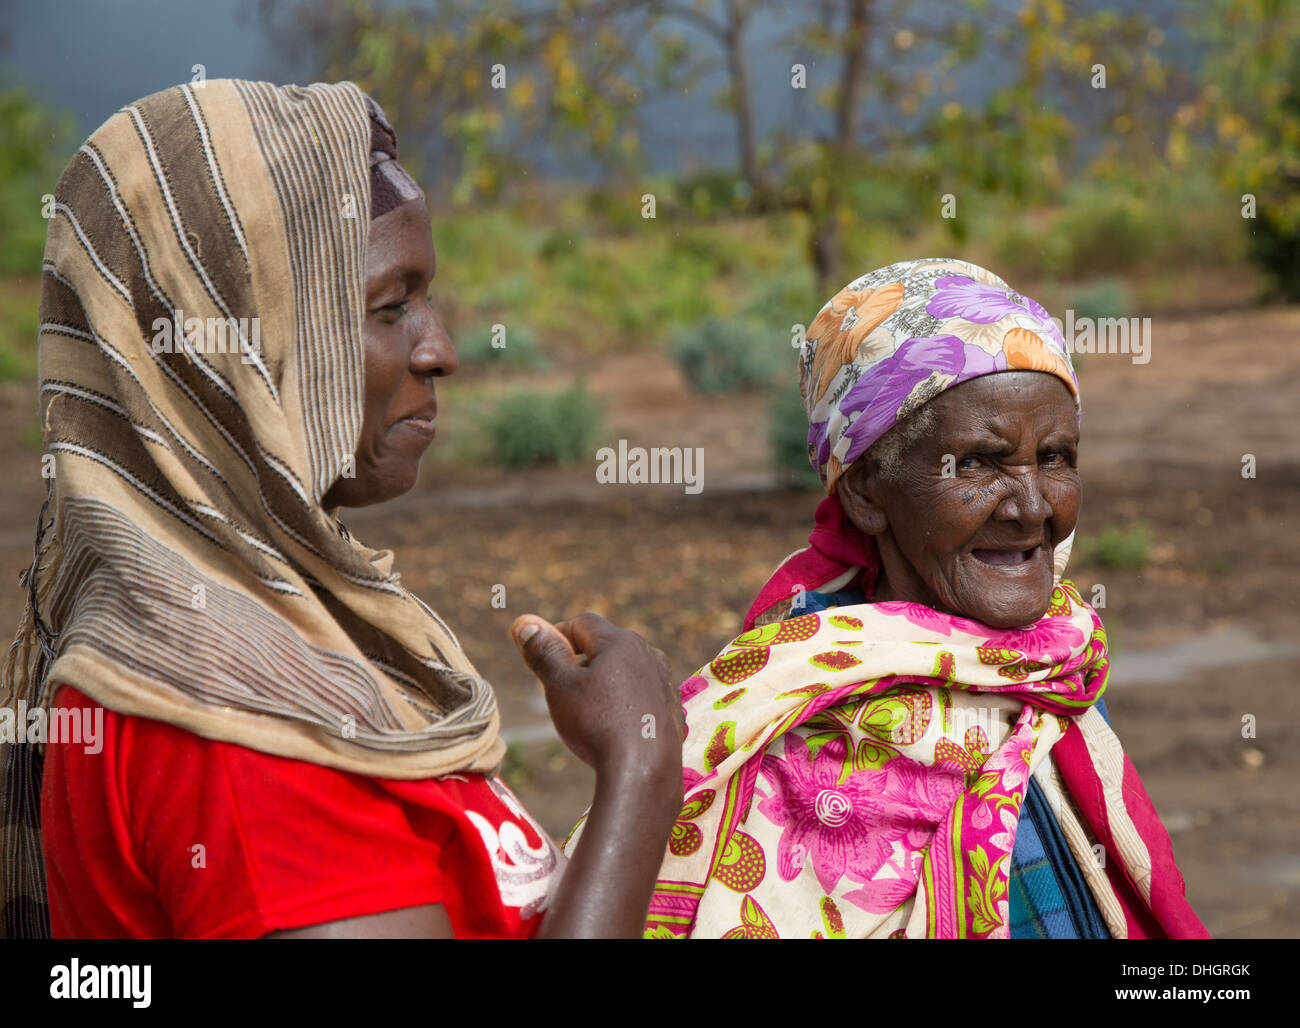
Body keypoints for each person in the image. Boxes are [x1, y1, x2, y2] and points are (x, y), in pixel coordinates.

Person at [0, 79, 682, 939]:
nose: (441, 350)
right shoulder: (234, 724)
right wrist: (641, 775)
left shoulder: (255, 619)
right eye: (390, 306)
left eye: (425, 299)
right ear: (240, 346)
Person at [567, 258, 1209, 939]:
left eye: (1054, 457)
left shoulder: (1058, 661)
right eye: (979, 463)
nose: (1030, 507)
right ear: (867, 491)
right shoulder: (789, 722)